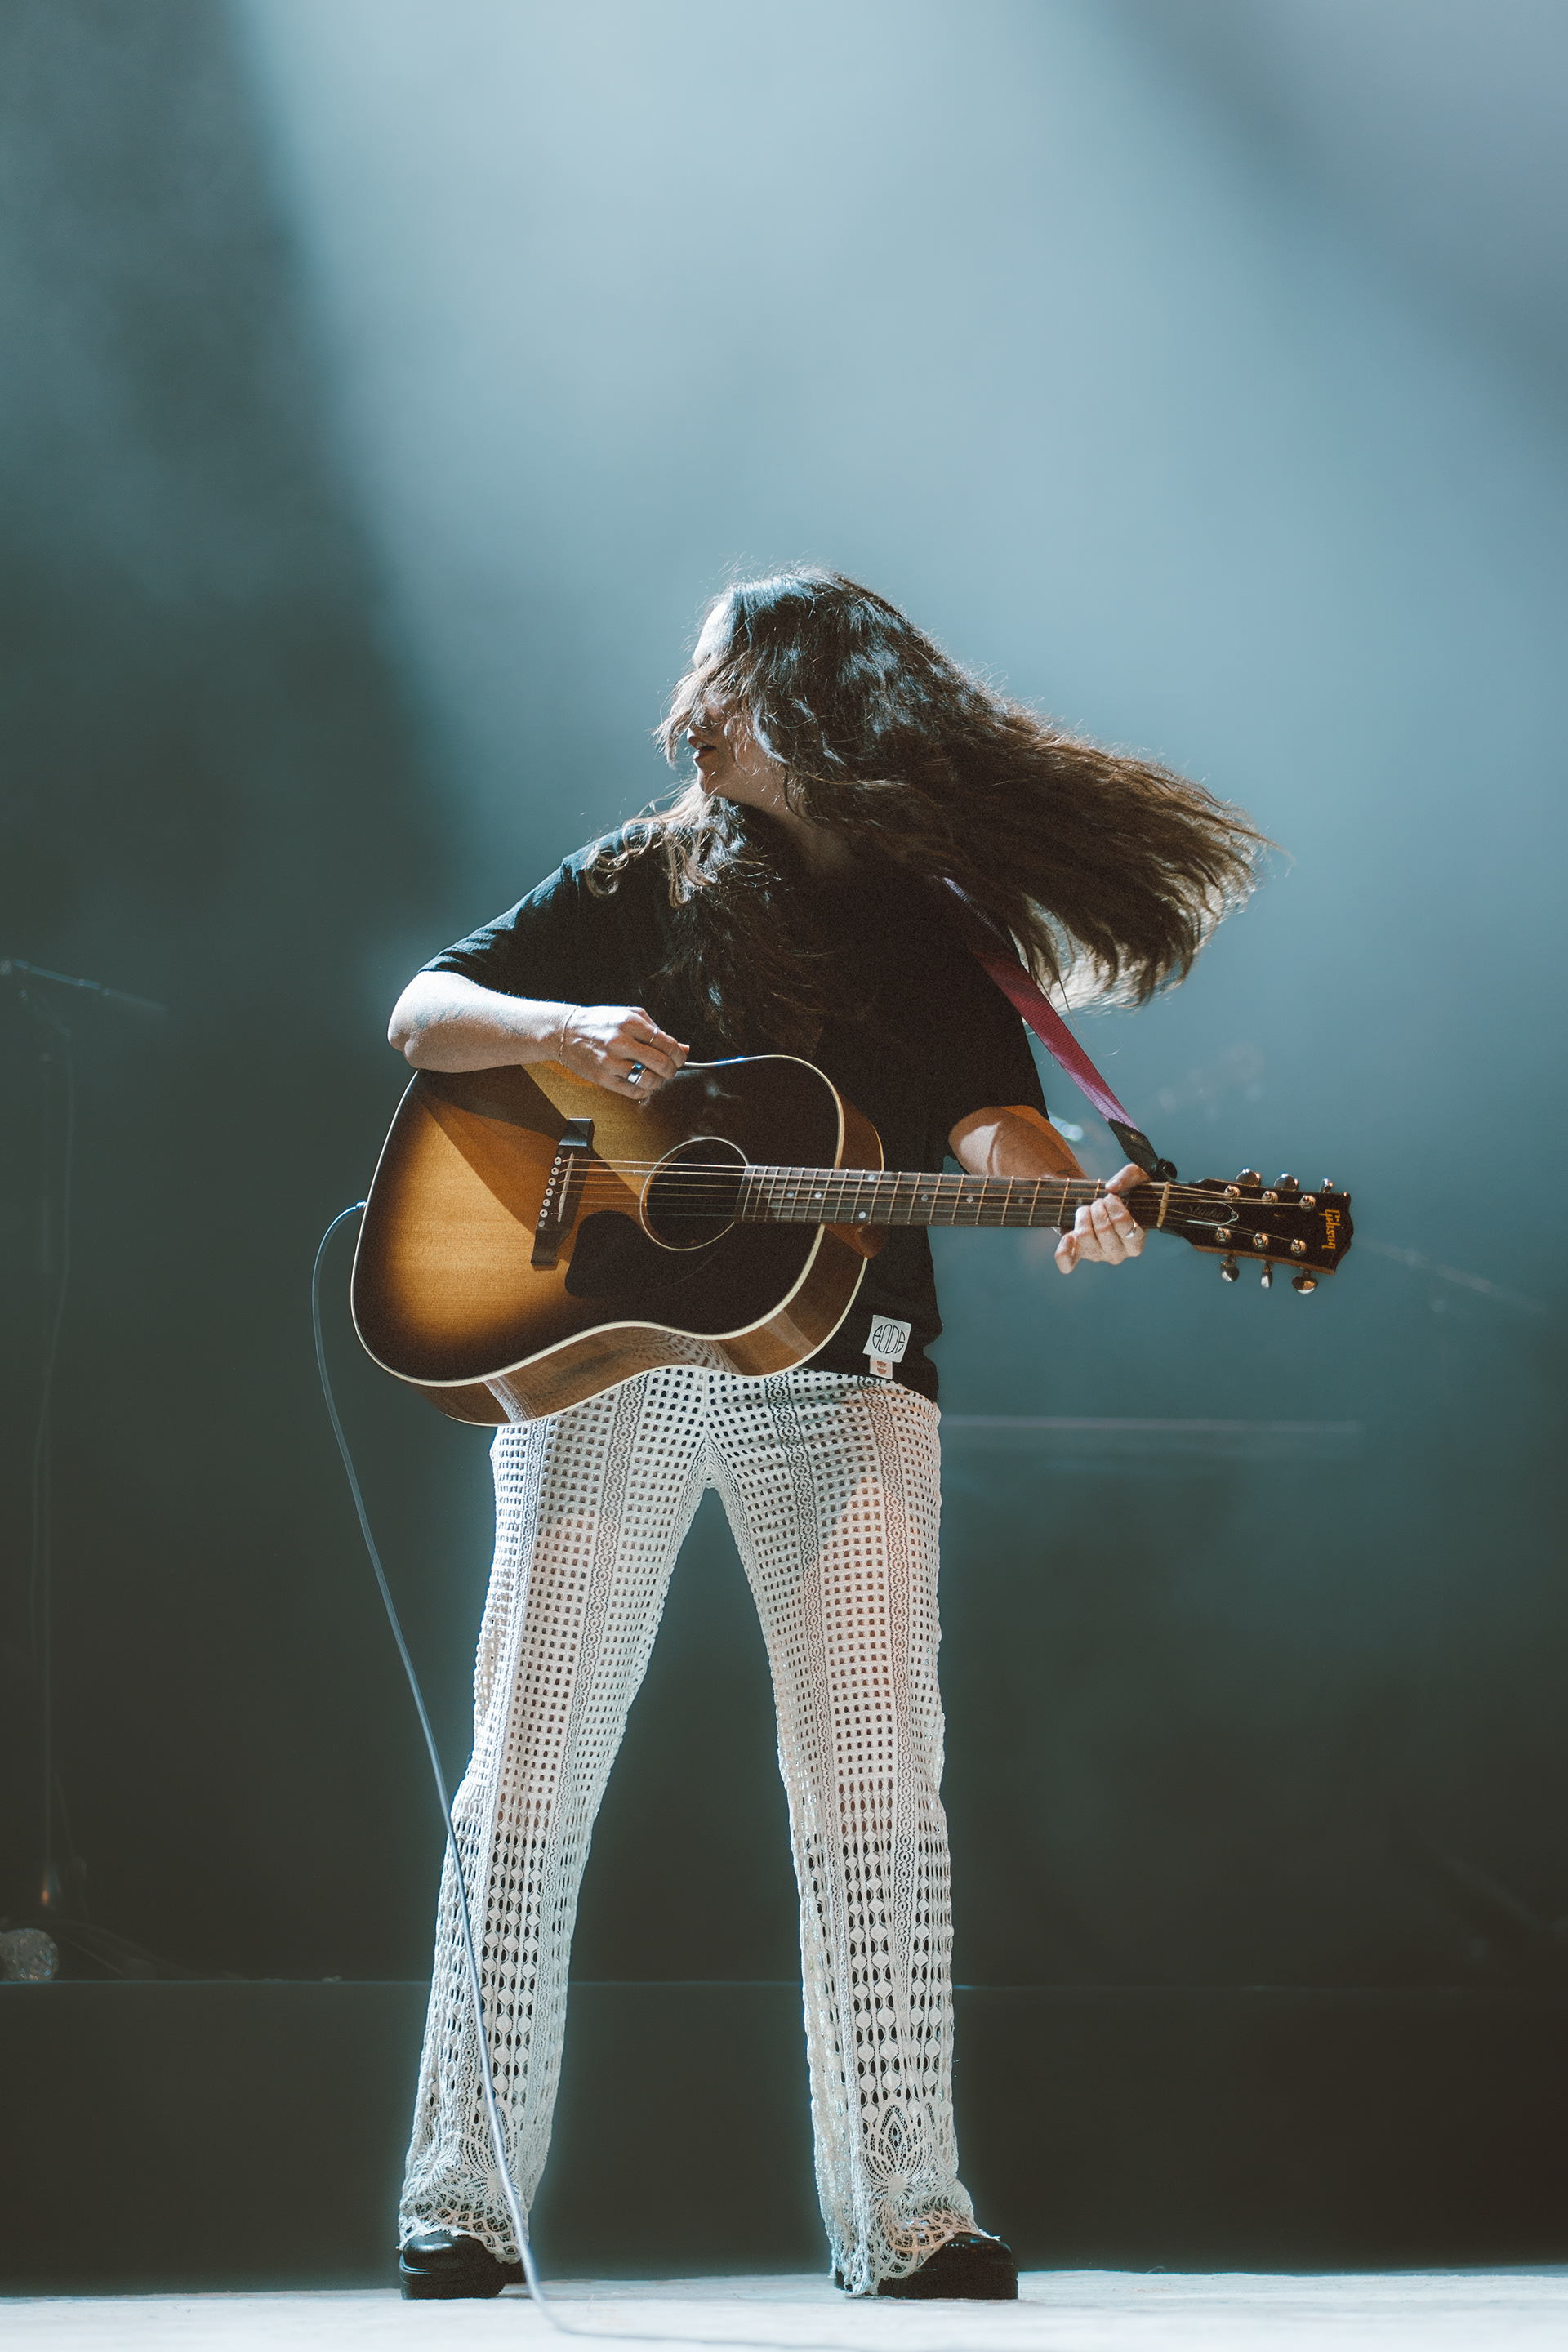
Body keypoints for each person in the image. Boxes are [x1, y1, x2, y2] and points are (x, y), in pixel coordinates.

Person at [385, 571, 1261, 2301]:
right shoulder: (640, 875)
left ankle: (908, 2207)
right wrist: (558, 1026)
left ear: (803, 707)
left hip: (849, 1358)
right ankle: (462, 2193)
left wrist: (1065, 1197)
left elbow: (993, 1120)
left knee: (877, 1786)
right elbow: (424, 1010)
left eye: (722, 673)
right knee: (531, 1770)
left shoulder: (929, 926)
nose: (691, 697)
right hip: (606, 1354)